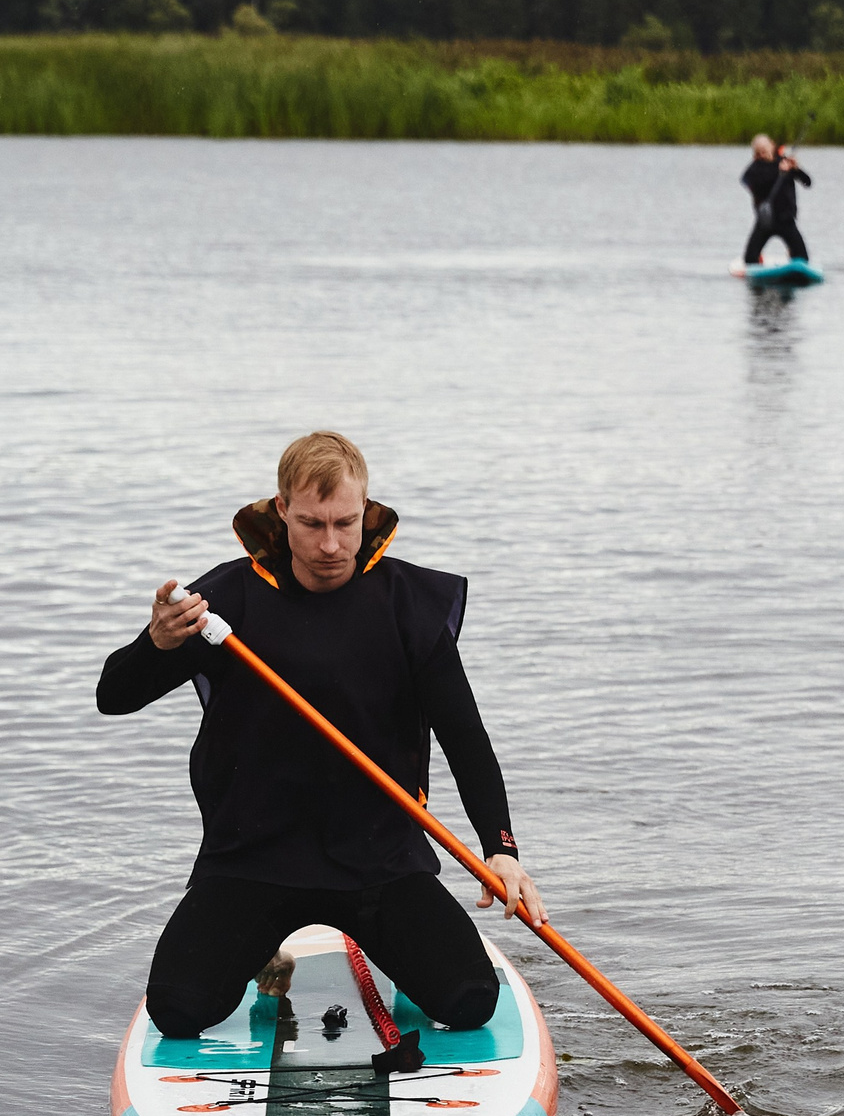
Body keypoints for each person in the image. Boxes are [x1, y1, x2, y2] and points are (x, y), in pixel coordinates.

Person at [97, 430, 544, 1042]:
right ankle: (265, 954)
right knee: (177, 1011)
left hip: (378, 861)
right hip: (252, 860)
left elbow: (465, 736)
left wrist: (502, 851)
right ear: (282, 512)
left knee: (469, 1002)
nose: (332, 544)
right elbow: (113, 698)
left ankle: (392, 952)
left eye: (346, 522)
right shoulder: (229, 599)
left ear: (367, 510)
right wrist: (156, 643)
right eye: (312, 524)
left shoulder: (407, 603)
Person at [740, 132, 813, 267]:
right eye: (759, 152)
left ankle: (792, 255)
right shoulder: (754, 169)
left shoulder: (784, 162)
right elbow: (749, 183)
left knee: (803, 259)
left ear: (772, 147)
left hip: (786, 219)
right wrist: (778, 172)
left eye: (764, 151)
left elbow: (808, 183)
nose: (762, 155)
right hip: (766, 221)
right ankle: (759, 261)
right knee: (749, 259)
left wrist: (796, 169)